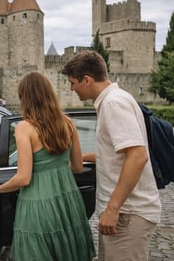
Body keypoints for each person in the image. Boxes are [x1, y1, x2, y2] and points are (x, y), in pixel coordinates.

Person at [61, 50, 161, 261]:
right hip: (125, 214)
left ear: (87, 80)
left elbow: (137, 156)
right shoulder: (115, 100)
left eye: (73, 82)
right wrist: (78, 159)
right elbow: (118, 155)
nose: (71, 88)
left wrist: (113, 209)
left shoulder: (113, 104)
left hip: (128, 214)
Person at [0, 71, 96, 260]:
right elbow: (78, 167)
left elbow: (24, 177)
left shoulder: (24, 128)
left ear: (26, 98)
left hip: (37, 204)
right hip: (67, 201)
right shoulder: (68, 123)